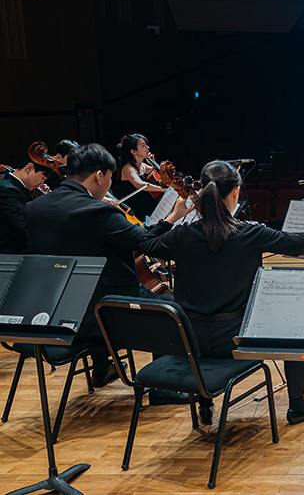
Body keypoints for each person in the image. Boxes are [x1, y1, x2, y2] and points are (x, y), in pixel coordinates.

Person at [138, 161, 304, 425]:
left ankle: (204, 400)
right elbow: (300, 243)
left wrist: (173, 217)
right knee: (296, 323)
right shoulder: (251, 233)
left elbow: (144, 243)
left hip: (191, 341)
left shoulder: (182, 235)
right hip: (237, 341)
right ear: (236, 192)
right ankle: (298, 404)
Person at [24, 144, 192, 398]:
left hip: (53, 313)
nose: (108, 185)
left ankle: (103, 367)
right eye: (110, 178)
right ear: (99, 175)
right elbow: (144, 242)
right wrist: (171, 218)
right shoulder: (96, 210)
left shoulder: (35, 207)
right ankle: (164, 388)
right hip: (100, 315)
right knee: (169, 310)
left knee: (92, 283)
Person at [0, 153, 56, 254]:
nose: (42, 183)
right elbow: (24, 227)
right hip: (10, 253)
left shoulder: (19, 189)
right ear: (29, 168)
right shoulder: (7, 189)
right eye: (42, 178)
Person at [116, 134, 167, 222]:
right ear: (133, 151)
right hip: (134, 208)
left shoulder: (143, 166)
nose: (148, 147)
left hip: (144, 204)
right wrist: (162, 189)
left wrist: (154, 163)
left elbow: (159, 173)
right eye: (143, 146)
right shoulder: (128, 168)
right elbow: (139, 185)